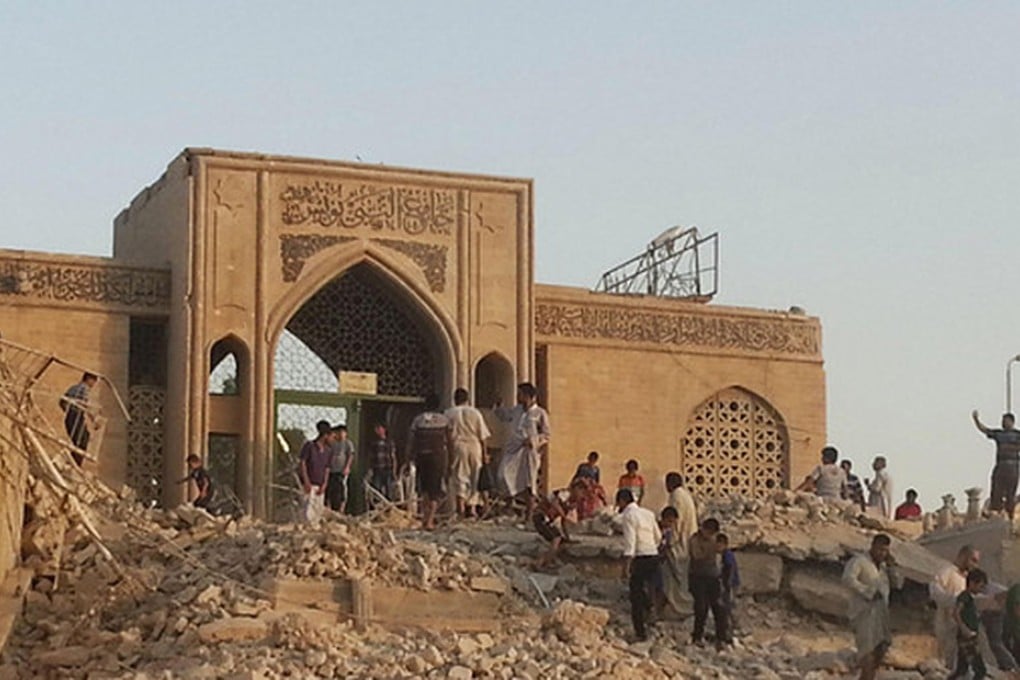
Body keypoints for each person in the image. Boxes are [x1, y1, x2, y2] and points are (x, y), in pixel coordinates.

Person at [842, 533, 901, 680]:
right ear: (873, 546)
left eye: (885, 550)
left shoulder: (884, 567)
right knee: (867, 652)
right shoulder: (859, 561)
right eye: (880, 549)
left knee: (881, 649)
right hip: (864, 613)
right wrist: (867, 591)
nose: (882, 553)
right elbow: (848, 579)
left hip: (881, 614)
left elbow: (897, 584)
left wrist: (892, 567)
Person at [495, 382, 551, 519]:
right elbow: (504, 416)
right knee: (503, 474)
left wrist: (534, 440)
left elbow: (546, 435)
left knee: (528, 482)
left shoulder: (540, 413)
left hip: (529, 451)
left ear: (528, 396)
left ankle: (529, 515)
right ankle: (509, 504)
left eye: (520, 394)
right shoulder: (517, 410)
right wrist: (498, 406)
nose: (517, 397)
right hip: (514, 448)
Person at [617, 488, 661, 642]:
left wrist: (626, 567)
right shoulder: (648, 513)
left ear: (622, 501)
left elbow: (630, 543)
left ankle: (640, 633)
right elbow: (658, 536)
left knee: (635, 596)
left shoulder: (628, 516)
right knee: (648, 589)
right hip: (653, 555)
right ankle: (651, 610)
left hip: (640, 558)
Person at [931, 545, 981, 669]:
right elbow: (935, 591)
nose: (975, 565)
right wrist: (954, 600)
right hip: (946, 625)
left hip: (962, 629)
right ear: (963, 556)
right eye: (973, 560)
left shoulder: (968, 579)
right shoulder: (947, 572)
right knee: (943, 661)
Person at [445, 388, 491, 519]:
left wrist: (449, 454)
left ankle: (461, 508)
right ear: (467, 399)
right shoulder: (475, 413)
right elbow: (483, 436)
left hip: (458, 446)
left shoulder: (449, 413)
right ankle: (472, 508)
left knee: (460, 476)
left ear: (455, 399)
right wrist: (485, 454)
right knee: (475, 477)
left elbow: (448, 436)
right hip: (475, 446)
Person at [408, 394, 452, 530]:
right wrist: (451, 460)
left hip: (421, 457)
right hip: (437, 458)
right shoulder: (444, 420)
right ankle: (430, 520)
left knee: (424, 490)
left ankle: (425, 519)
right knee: (435, 490)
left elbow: (411, 441)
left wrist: (409, 457)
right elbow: (450, 441)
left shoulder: (418, 420)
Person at [689, 518, 729, 648]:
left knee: (719, 607)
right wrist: (712, 550)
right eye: (709, 533)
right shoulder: (694, 540)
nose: (710, 536)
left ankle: (721, 638)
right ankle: (697, 636)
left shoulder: (715, 540)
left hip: (713, 577)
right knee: (701, 607)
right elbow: (696, 555)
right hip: (697, 577)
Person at [972, 410, 1020, 520]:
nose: (1003, 423)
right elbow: (985, 430)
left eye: (1005, 421)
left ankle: (1010, 514)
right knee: (996, 489)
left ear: (1011, 422)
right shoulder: (999, 434)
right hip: (1001, 465)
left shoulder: (1017, 435)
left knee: (1010, 492)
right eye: (1002, 421)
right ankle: (997, 510)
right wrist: (976, 420)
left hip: (1013, 465)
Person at [950, 568, 989, 679]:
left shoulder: (970, 598)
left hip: (970, 637)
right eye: (980, 586)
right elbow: (956, 613)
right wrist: (964, 629)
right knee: (980, 670)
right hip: (967, 638)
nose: (981, 590)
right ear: (972, 583)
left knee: (961, 669)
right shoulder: (965, 596)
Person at [665, 472, 698, 600]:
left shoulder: (676, 497)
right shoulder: (685, 494)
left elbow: (675, 522)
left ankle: (681, 604)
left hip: (681, 541)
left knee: (678, 576)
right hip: (689, 538)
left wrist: (670, 541)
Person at [299, 420, 334, 523]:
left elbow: (327, 468)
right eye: (331, 436)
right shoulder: (310, 446)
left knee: (317, 512)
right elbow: (303, 463)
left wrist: (325, 484)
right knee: (307, 512)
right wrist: (306, 481)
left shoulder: (328, 450)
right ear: (325, 435)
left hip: (320, 485)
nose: (332, 439)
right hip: (309, 484)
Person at [60, 372, 97, 466]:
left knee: (80, 441)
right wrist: (94, 419)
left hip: (71, 417)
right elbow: (84, 405)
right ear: (89, 379)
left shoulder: (74, 387)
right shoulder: (83, 389)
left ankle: (72, 463)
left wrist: (68, 410)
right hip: (76, 417)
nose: (93, 385)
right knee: (82, 442)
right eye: (94, 381)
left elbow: (62, 401)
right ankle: (74, 464)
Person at [533, 488, 573, 570]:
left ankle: (544, 560)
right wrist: (563, 514)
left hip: (547, 520)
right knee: (556, 538)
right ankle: (544, 563)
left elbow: (563, 522)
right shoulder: (565, 493)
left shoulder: (569, 503)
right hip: (541, 516)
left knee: (561, 542)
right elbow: (555, 503)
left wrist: (567, 537)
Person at [326, 424, 354, 512]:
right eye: (338, 432)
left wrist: (347, 467)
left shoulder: (347, 443)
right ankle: (329, 508)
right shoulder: (332, 443)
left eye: (342, 432)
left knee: (341, 490)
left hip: (341, 471)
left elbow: (350, 455)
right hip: (331, 470)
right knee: (330, 489)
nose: (340, 434)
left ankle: (341, 509)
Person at [367, 423, 397, 502]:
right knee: (377, 489)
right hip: (377, 469)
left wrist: (394, 470)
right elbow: (371, 457)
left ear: (384, 430)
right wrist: (370, 469)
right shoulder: (374, 443)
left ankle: (389, 506)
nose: (378, 431)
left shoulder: (389, 442)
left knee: (389, 490)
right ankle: (377, 505)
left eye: (379, 428)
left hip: (388, 468)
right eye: (376, 429)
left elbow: (393, 456)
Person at [717, 533, 740, 634]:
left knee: (729, 605)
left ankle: (733, 626)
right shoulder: (725, 555)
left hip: (731, 584)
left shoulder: (727, 555)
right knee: (727, 604)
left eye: (719, 545)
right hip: (729, 583)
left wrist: (727, 584)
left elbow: (730, 568)